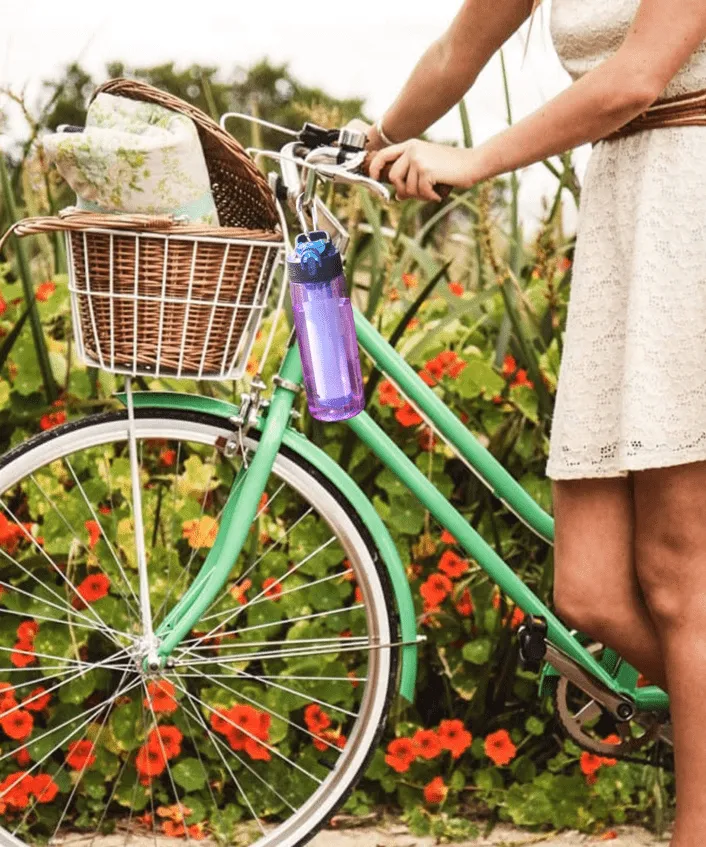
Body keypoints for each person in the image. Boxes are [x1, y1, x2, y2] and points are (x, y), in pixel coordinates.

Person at [349, 2, 706, 844]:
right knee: (588, 589)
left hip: (691, 206)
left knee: (678, 573)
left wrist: (472, 160)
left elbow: (635, 77)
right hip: (621, 211)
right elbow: (454, 52)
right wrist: (368, 141)